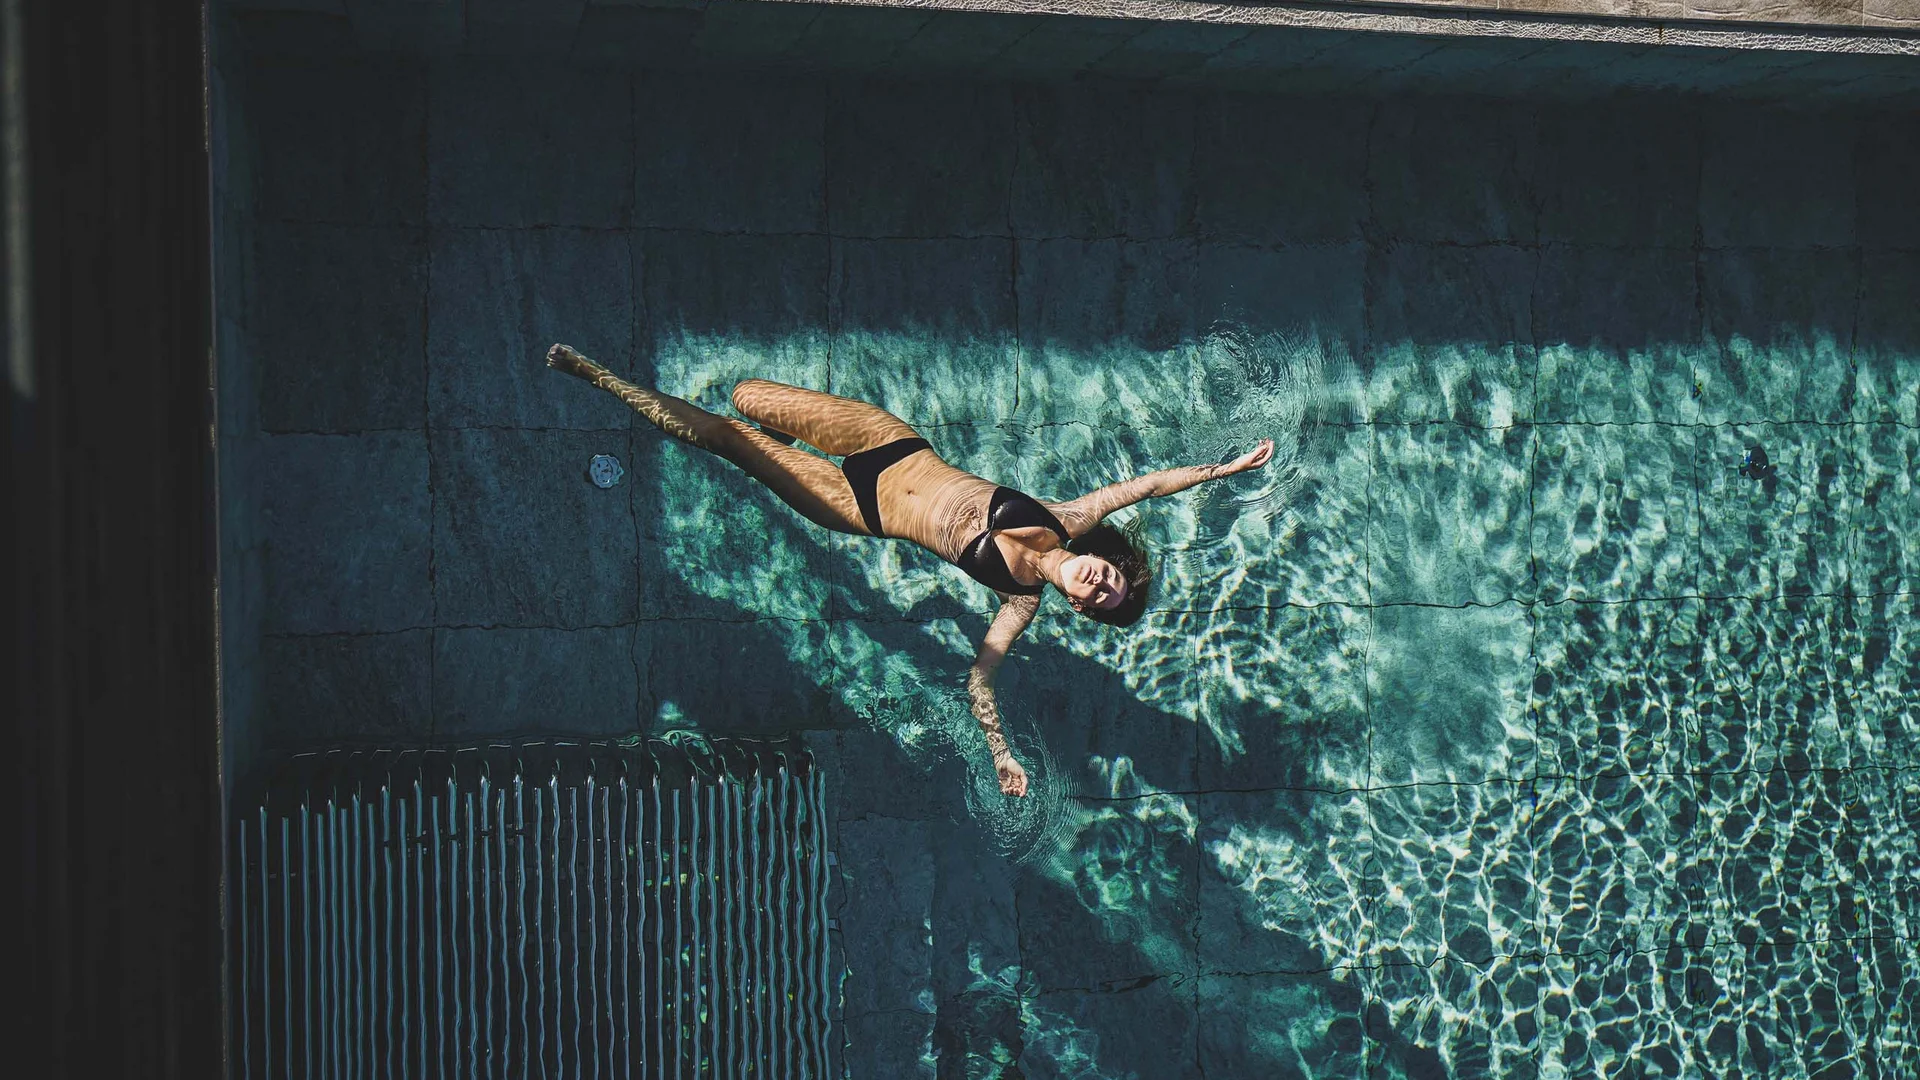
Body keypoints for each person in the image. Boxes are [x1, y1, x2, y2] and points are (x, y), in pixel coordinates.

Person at [546, 344, 1274, 797]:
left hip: (856, 505)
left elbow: (979, 681)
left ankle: (599, 378)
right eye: (1109, 576)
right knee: (747, 397)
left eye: (1103, 597)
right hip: (890, 444)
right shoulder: (1069, 515)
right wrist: (1228, 468)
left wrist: (1002, 756)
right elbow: (1145, 486)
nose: (1100, 583)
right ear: (1098, 558)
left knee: (725, 435)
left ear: (1082, 609)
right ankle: (775, 436)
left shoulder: (1016, 602)